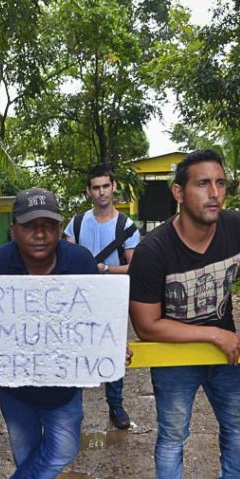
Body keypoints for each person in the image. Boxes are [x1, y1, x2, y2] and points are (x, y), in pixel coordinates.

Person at [128, 150, 240, 479]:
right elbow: (146, 326)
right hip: (176, 359)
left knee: (237, 425)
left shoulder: (237, 227)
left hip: (226, 355)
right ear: (179, 192)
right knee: (174, 436)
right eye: (202, 183)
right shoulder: (154, 250)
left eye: (221, 183)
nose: (214, 193)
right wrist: (211, 334)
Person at [0, 188, 100, 479]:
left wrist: (106, 346)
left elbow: (96, 318)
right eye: (30, 225)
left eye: (49, 225)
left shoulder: (80, 262)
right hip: (15, 388)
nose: (40, 234)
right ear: (13, 230)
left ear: (60, 228)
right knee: (27, 451)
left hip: (63, 386)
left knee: (63, 449)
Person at [66, 164, 139, 430]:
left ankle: (116, 405)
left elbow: (135, 266)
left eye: (105, 186)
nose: (101, 192)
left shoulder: (126, 225)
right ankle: (72, 409)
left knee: (115, 349)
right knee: (77, 350)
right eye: (96, 187)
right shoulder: (76, 222)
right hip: (80, 298)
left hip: (113, 298)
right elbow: (65, 256)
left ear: (114, 187)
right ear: (88, 191)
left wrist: (106, 269)